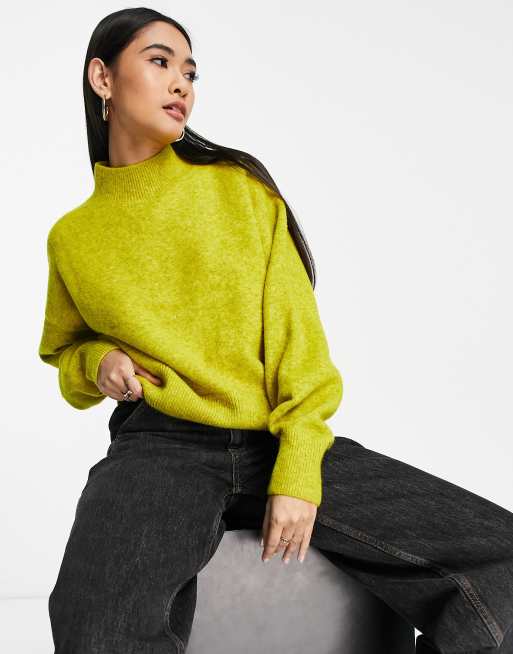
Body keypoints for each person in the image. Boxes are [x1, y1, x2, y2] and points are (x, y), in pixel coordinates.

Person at [38, 8, 513, 654]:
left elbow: (299, 346)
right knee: (93, 622)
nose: (180, 83)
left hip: (275, 435)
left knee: (501, 559)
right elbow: (65, 350)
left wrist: (296, 472)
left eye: (190, 72)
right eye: (159, 62)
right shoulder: (73, 237)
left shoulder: (240, 190)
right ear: (102, 78)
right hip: (159, 447)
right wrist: (96, 361)